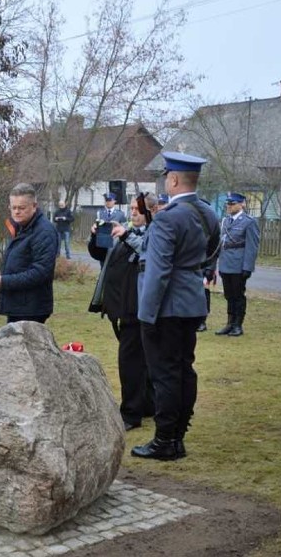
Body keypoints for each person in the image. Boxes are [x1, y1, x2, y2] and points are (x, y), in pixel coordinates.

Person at [132, 152, 220, 461]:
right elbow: (212, 251)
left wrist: (146, 314)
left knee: (165, 375)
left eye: (166, 176)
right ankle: (178, 436)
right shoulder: (207, 213)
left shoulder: (169, 217)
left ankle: (164, 441)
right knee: (184, 370)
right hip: (192, 301)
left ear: (172, 180)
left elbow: (157, 272)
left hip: (166, 307)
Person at [88, 193, 157, 431]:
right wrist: (96, 237)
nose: (134, 213)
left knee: (131, 361)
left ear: (151, 211)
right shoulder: (125, 229)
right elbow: (102, 254)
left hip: (137, 308)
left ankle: (130, 414)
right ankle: (147, 404)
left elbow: (147, 253)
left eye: (139, 209)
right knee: (139, 360)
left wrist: (126, 235)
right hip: (120, 306)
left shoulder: (153, 233)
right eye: (132, 208)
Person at [0, 183, 59, 323]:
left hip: (32, 308)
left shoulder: (44, 232)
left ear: (34, 206)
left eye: (21, 208)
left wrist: (4, 282)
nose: (16, 212)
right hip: (18, 304)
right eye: (13, 208)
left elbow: (41, 272)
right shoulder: (20, 227)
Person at [214, 192, 260, 337]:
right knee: (228, 295)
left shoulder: (249, 222)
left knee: (238, 295)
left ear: (242, 204)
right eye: (228, 204)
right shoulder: (226, 221)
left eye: (232, 204)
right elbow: (222, 243)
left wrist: (247, 267)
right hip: (226, 263)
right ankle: (230, 323)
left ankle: (238, 325)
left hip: (239, 265)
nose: (229, 206)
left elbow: (252, 247)